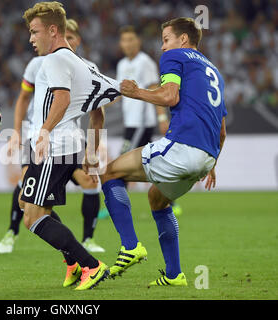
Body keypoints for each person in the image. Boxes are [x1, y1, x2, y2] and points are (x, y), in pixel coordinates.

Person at [93, 17, 227, 286]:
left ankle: (130, 246)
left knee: (109, 173)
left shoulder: (175, 56)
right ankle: (175, 275)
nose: (163, 46)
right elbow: (222, 130)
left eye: (166, 39)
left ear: (183, 40)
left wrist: (137, 92)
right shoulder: (214, 72)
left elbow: (169, 97)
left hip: (182, 146)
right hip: (207, 154)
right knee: (157, 199)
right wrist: (211, 164)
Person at [19, 1, 121, 290]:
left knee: (32, 216)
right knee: (27, 204)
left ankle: (89, 264)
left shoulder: (54, 60)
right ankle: (75, 263)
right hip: (63, 146)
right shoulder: (76, 60)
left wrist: (44, 132)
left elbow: (62, 99)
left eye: (34, 31)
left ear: (52, 30)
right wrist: (90, 149)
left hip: (54, 147)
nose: (31, 39)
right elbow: (98, 110)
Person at [0, 18, 105, 255]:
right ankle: (11, 232)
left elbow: (97, 112)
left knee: (89, 182)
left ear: (77, 40)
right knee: (28, 193)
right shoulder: (37, 64)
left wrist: (92, 150)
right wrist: (16, 131)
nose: (71, 41)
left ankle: (85, 242)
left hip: (69, 139)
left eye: (75, 37)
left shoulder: (86, 66)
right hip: (38, 136)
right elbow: (23, 98)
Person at [98, 25, 183, 219]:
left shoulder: (144, 62)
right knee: (148, 164)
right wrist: (102, 103)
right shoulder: (121, 65)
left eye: (130, 40)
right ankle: (170, 200)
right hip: (131, 122)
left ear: (138, 42)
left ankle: (114, 205)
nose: (127, 44)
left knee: (120, 163)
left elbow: (155, 89)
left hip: (143, 122)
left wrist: (162, 118)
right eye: (124, 40)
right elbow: (121, 93)